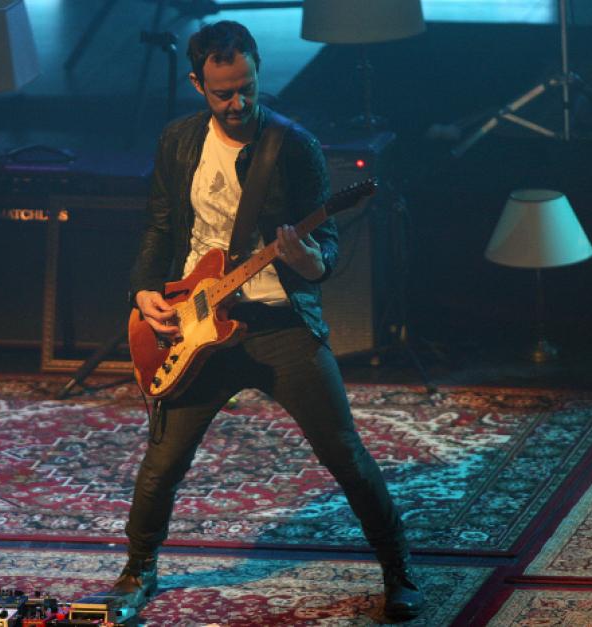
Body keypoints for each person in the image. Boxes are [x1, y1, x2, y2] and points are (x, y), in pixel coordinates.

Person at [108, 20, 423, 621]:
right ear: (197, 83)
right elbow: (158, 227)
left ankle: (398, 568)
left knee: (344, 454)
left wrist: (309, 259)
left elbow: (324, 245)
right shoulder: (177, 141)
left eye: (247, 87)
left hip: (280, 325)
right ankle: (137, 570)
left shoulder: (292, 145)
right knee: (163, 463)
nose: (238, 103)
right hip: (198, 327)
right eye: (223, 91)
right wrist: (145, 289)